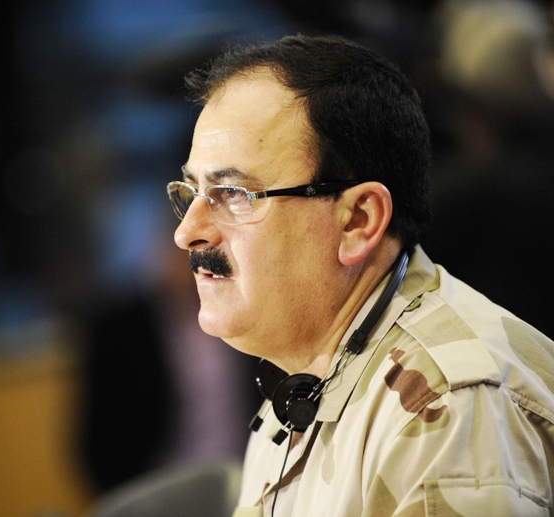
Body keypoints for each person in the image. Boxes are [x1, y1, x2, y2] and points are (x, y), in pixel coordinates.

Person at [165, 34, 554, 516]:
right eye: (192, 192)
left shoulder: (449, 406)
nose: (188, 233)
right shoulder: (298, 386)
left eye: (233, 194)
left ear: (358, 221)